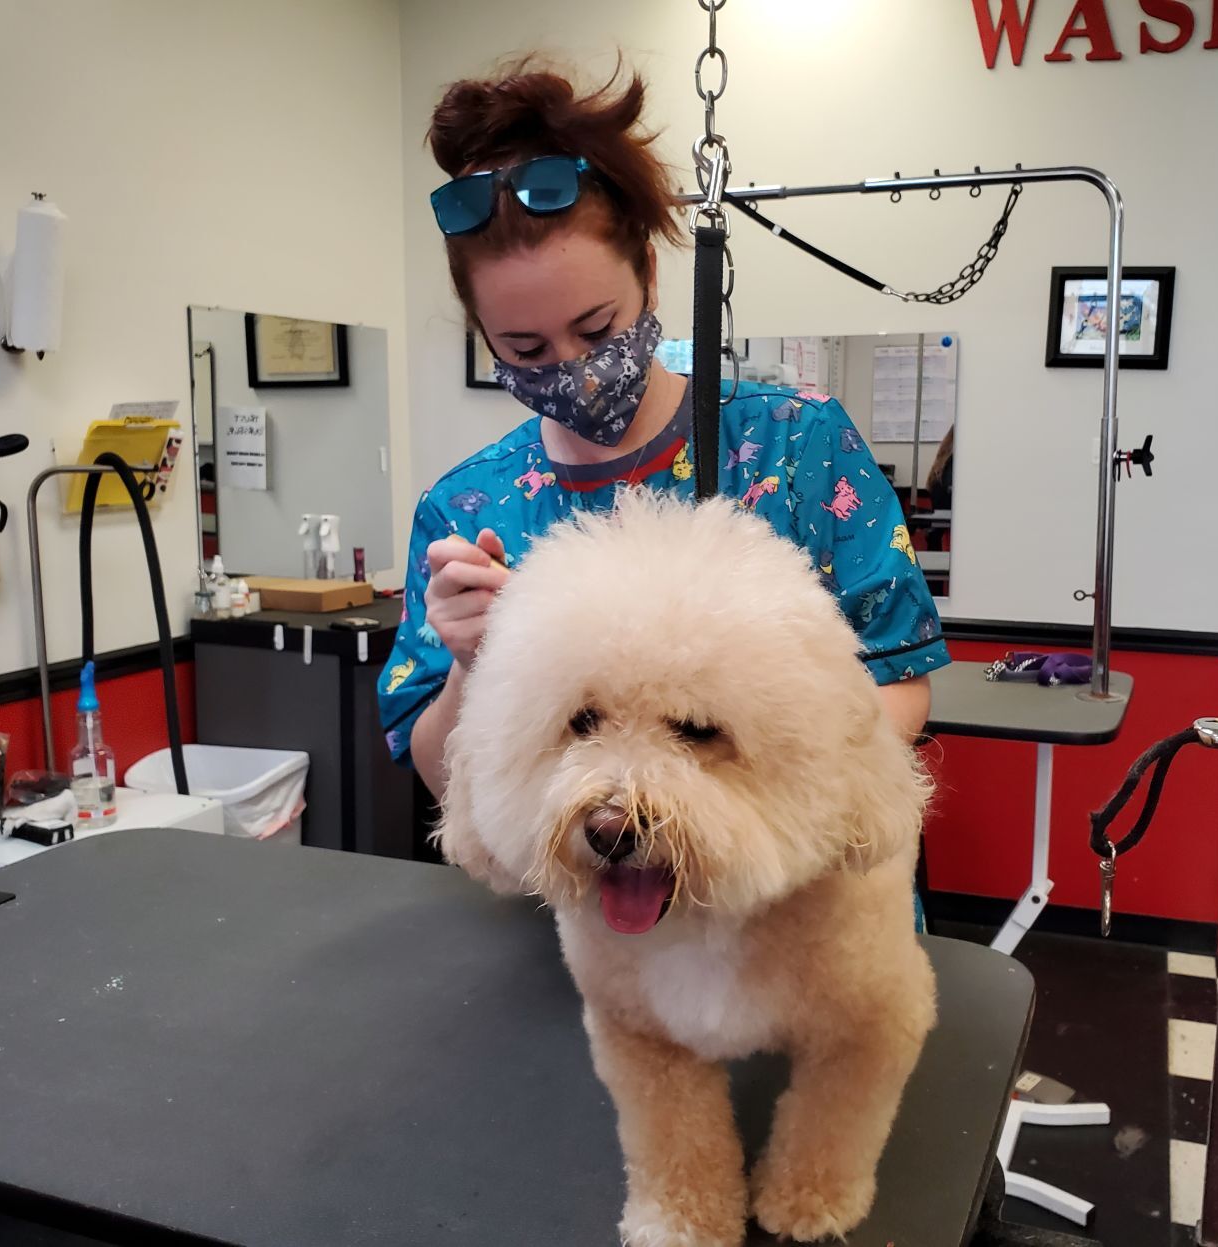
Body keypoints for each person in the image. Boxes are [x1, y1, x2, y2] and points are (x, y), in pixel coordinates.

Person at [379, 63, 950, 802]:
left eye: (595, 327)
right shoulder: (470, 511)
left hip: (790, 890)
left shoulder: (795, 448)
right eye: (525, 349)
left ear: (648, 272)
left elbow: (899, 685)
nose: (574, 369)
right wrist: (469, 658)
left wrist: (738, 820)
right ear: (482, 332)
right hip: (579, 907)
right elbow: (443, 780)